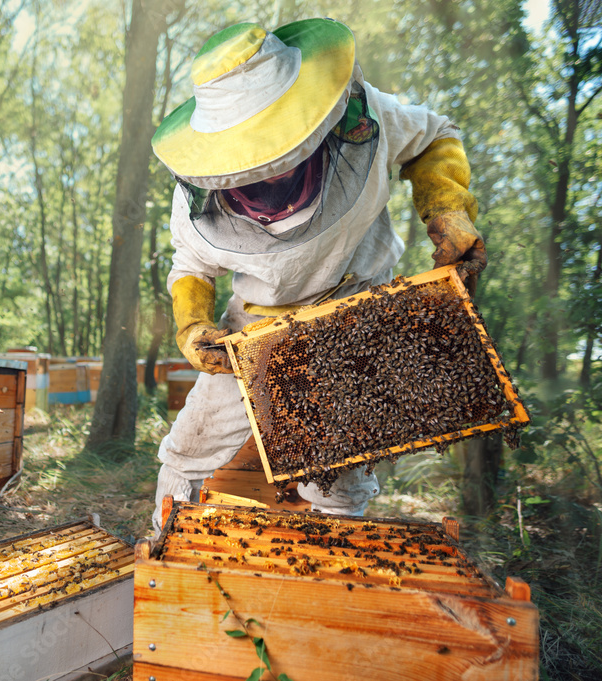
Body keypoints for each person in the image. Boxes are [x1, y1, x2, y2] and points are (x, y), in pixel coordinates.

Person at [149, 19, 486, 531]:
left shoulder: (366, 118)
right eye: (250, 166)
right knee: (189, 446)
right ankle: (163, 549)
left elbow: (434, 135)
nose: (268, 176)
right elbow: (192, 265)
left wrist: (447, 208)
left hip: (355, 308)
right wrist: (194, 326)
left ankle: (332, 574)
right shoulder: (193, 199)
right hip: (257, 326)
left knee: (337, 477)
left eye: (278, 152)